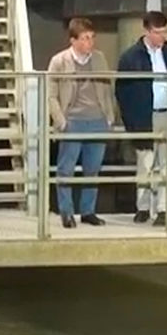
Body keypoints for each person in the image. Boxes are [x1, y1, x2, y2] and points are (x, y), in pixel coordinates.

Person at [115, 10, 167, 226]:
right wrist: (131, 121)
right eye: (157, 32)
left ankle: (163, 209)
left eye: (164, 32)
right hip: (144, 116)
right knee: (145, 163)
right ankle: (143, 207)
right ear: (146, 30)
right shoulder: (130, 57)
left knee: (166, 164)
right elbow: (122, 91)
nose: (161, 37)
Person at [47, 17, 115, 228]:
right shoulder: (59, 61)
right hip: (73, 120)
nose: (90, 43)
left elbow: (106, 88)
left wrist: (109, 116)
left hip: (97, 120)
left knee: (92, 169)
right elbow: (51, 94)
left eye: (92, 38)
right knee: (66, 169)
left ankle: (88, 211)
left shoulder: (99, 58)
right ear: (73, 40)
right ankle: (66, 212)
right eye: (85, 38)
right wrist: (61, 121)